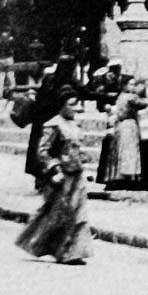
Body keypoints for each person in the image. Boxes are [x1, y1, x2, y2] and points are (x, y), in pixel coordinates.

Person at [16, 88, 91, 265]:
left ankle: (73, 252)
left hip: (77, 174)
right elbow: (43, 151)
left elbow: (77, 148)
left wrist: (84, 162)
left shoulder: (75, 125)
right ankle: (54, 249)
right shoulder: (54, 125)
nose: (76, 108)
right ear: (62, 106)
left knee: (79, 213)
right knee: (61, 214)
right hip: (62, 176)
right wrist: (55, 169)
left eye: (77, 104)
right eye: (71, 105)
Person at [24, 55, 79, 184]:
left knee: (38, 148)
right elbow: (85, 91)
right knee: (52, 149)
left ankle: (39, 177)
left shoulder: (49, 78)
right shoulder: (69, 81)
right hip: (53, 120)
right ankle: (48, 178)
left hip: (39, 117)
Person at [98, 77, 148, 191]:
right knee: (130, 151)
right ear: (124, 85)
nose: (133, 87)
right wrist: (147, 92)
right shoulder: (130, 97)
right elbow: (144, 103)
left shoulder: (120, 97)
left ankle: (121, 175)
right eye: (131, 84)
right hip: (129, 125)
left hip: (120, 125)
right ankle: (129, 175)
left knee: (122, 150)